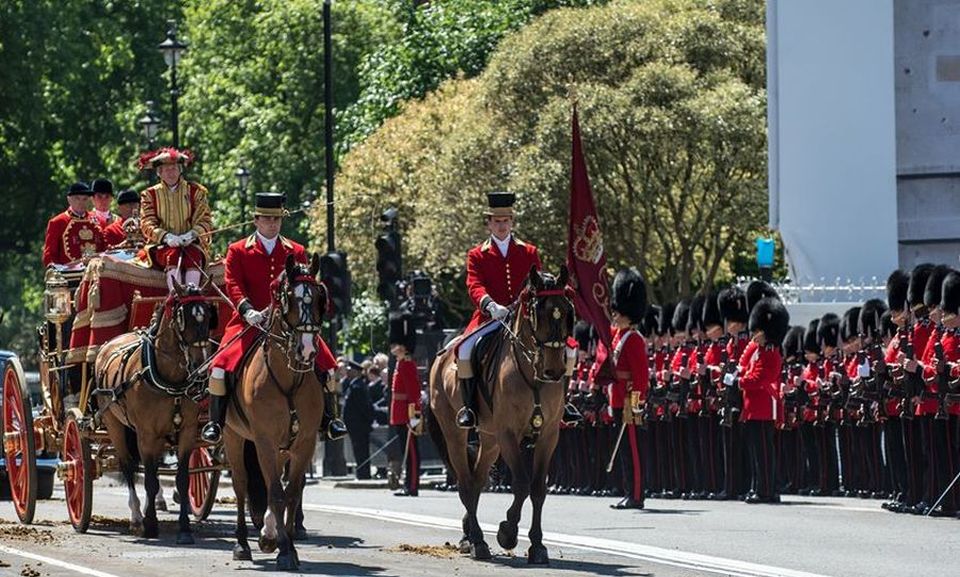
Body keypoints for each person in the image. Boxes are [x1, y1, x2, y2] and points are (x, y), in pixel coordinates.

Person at [202, 193, 342, 443]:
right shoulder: (237, 250)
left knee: (328, 365)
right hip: (249, 323)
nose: (272, 223)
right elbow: (233, 284)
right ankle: (216, 422)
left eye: (276, 219)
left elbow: (303, 283)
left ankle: (330, 418)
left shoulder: (296, 250)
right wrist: (247, 311)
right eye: (267, 218)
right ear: (256, 220)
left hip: (288, 324)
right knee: (220, 366)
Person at [456, 191, 542, 429]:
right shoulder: (476, 255)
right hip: (491, 317)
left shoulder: (529, 252)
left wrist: (523, 304)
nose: (501, 226)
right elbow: (474, 284)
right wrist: (490, 305)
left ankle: (561, 404)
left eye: (505, 221)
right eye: (497, 221)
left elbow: (538, 284)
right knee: (464, 350)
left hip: (524, 317)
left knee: (565, 349)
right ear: (489, 224)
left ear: (512, 222)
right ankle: (470, 408)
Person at [136, 147, 212, 291]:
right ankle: (176, 296)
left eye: (174, 169)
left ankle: (192, 293)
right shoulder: (149, 194)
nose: (171, 173)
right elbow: (147, 222)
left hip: (192, 243)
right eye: (166, 169)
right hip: (162, 246)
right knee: (174, 254)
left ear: (180, 170)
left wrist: (192, 235)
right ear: (160, 173)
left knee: (193, 254)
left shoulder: (196, 191)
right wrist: (166, 237)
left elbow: (205, 219)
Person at [739, 297, 789, 504]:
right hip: (753, 407)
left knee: (764, 453)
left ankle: (767, 490)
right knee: (756, 452)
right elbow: (744, 364)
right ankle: (759, 486)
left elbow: (759, 378)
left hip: (764, 407)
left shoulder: (771, 353)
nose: (754, 336)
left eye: (757, 331)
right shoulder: (758, 350)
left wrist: (740, 381)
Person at [608, 268, 650, 510]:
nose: (615, 315)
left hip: (629, 400)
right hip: (617, 398)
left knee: (632, 449)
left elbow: (641, 375)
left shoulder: (633, 338)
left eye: (618, 312)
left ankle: (636, 494)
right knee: (624, 449)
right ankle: (628, 491)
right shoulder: (619, 336)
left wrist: (635, 401)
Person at [389, 313, 422, 497]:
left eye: (396, 344)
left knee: (412, 452)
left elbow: (414, 393)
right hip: (399, 412)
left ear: (403, 346)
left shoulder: (407, 364)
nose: (393, 347)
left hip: (407, 413)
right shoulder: (400, 363)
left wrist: (414, 414)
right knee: (406, 450)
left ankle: (413, 485)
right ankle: (408, 484)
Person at [42, 182, 105, 267]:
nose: (81, 202)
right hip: (70, 276)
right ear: (69, 199)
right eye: (77, 198)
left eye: (85, 199)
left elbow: (104, 249)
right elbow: (50, 255)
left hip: (95, 273)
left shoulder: (98, 220)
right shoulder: (58, 222)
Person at [343, 359, 374, 479]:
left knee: (361, 451)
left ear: (356, 372)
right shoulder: (354, 385)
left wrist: (367, 421)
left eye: (350, 370)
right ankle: (362, 472)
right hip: (355, 426)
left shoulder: (357, 387)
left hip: (359, 426)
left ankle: (363, 473)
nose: (347, 372)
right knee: (358, 450)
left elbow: (364, 407)